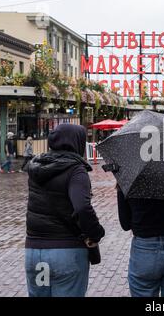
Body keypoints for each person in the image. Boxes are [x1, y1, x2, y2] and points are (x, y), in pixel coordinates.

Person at [25, 124, 105, 297]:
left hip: (34, 254)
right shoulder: (76, 170)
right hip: (65, 253)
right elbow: (82, 207)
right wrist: (96, 233)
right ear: (76, 142)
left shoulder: (36, 167)